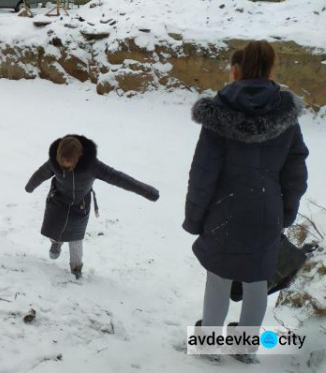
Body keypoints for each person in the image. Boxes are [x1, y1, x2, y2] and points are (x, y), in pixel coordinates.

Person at [184, 40, 309, 361]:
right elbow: (295, 172)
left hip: (222, 214)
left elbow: (203, 173)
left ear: (236, 70)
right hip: (267, 213)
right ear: (270, 69)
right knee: (256, 283)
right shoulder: (287, 115)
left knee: (218, 281)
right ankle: (244, 349)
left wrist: (194, 218)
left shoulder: (218, 113)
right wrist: (287, 212)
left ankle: (208, 349)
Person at [25, 135, 159, 279]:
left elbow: (119, 178)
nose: (65, 167)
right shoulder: (55, 162)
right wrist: (30, 186)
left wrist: (147, 191)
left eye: (68, 164)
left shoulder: (92, 166)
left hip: (79, 205)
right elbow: (41, 173)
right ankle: (56, 243)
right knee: (54, 230)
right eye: (61, 163)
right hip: (58, 201)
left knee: (75, 238)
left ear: (79, 156)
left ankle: (76, 267)